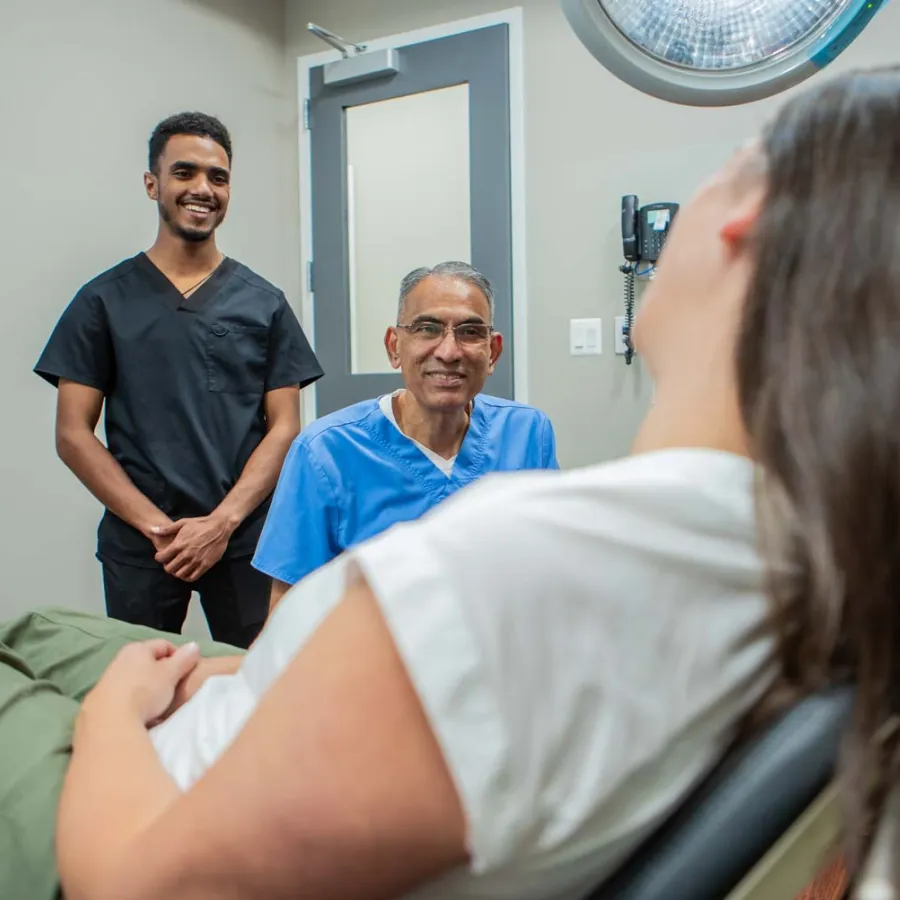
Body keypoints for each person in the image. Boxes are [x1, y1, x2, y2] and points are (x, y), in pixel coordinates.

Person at [1, 66, 892, 899]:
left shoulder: (501, 550)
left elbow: (138, 878)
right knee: (52, 629)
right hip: (256, 687)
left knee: (25, 648)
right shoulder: (812, 557)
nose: (449, 353)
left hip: (154, 798)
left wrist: (118, 711)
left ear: (747, 220)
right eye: (425, 331)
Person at [33, 112, 324, 649]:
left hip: (243, 538)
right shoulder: (103, 300)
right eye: (184, 172)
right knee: (145, 686)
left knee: (259, 680)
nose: (202, 189)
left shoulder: (264, 303)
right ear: (153, 183)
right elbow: (73, 433)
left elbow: (285, 428)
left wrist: (221, 523)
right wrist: (157, 528)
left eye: (218, 177)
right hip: (142, 540)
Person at [252, 260, 558, 610]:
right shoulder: (326, 452)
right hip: (377, 660)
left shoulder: (528, 435)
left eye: (470, 332)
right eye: (428, 329)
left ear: (494, 352)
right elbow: (289, 608)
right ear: (394, 346)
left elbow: (549, 570)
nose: (449, 351)